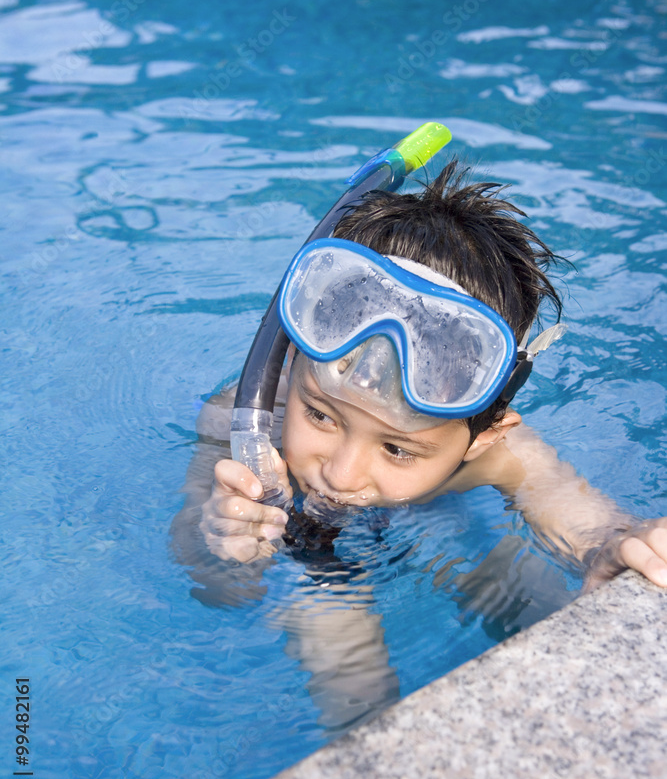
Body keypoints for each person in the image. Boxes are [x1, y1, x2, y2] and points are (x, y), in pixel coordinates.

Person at [188, 160, 667, 591]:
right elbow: (213, 588)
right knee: (331, 632)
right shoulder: (238, 419)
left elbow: (584, 522)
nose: (340, 474)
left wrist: (614, 547)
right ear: (291, 363)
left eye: (398, 448)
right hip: (325, 576)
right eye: (319, 414)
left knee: (517, 588)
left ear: (483, 438)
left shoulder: (495, 454)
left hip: (430, 526)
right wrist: (224, 549)